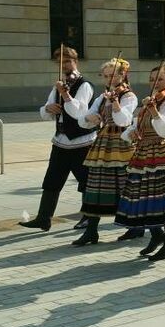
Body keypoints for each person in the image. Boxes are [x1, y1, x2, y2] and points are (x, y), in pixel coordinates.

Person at [115, 64, 165, 261]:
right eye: (152, 79)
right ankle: (157, 236)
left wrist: (154, 111)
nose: (155, 83)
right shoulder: (150, 101)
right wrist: (131, 133)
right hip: (144, 152)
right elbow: (131, 127)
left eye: (160, 79)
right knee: (146, 198)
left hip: (163, 153)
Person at [20, 46, 97, 232]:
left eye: (68, 61)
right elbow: (45, 111)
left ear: (75, 62)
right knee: (52, 180)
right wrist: (48, 109)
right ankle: (43, 218)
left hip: (82, 141)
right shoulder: (59, 84)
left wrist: (65, 94)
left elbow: (80, 112)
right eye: (61, 62)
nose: (64, 66)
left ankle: (88, 217)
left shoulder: (84, 85)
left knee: (86, 181)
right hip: (61, 141)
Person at [71, 58, 137, 247]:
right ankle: (92, 230)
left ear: (122, 75)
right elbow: (84, 119)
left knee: (126, 184)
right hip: (102, 143)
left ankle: (135, 226)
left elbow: (124, 120)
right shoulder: (102, 96)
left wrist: (115, 104)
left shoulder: (128, 95)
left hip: (122, 143)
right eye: (105, 76)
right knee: (96, 184)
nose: (108, 79)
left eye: (112, 75)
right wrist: (89, 118)